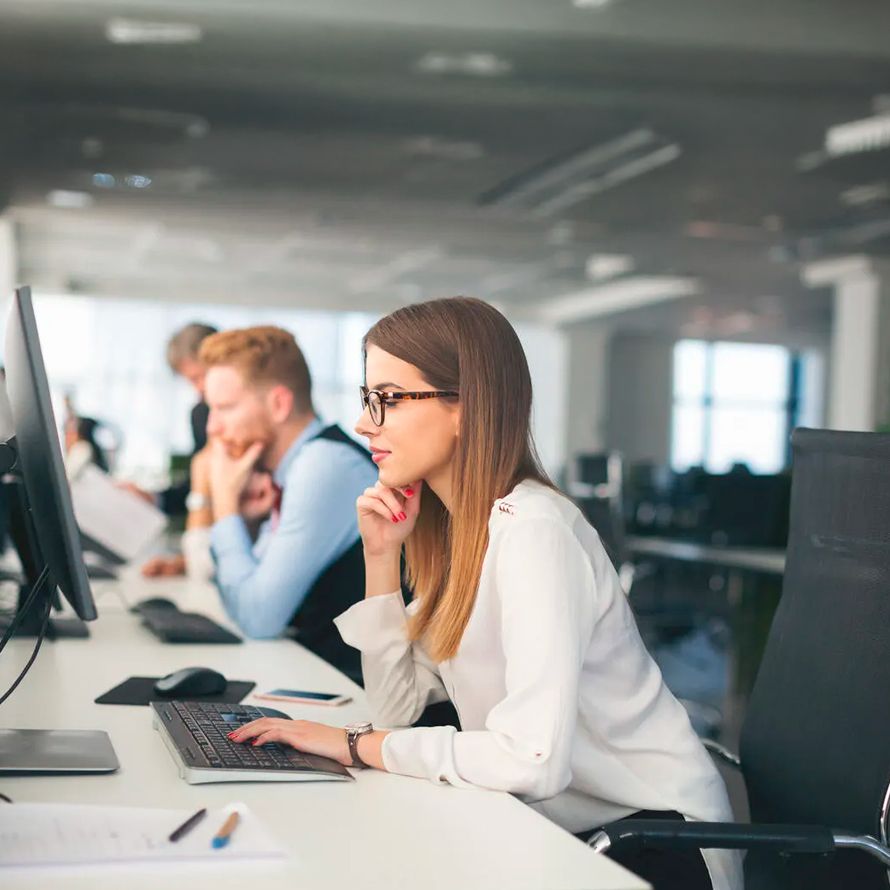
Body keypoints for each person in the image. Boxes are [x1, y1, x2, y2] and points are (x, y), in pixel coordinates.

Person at [227, 298, 740, 890]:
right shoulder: (463, 531)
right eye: (369, 399)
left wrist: (354, 743)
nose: (366, 423)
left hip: (652, 842)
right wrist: (381, 557)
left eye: (388, 398)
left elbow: (531, 760)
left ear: (465, 407)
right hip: (560, 828)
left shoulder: (535, 531)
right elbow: (396, 710)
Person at [196, 325, 377, 681]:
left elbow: (258, 618)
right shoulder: (290, 472)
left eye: (224, 408)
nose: (212, 428)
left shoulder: (323, 465)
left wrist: (225, 504)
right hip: (326, 678)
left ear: (279, 404)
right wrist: (245, 525)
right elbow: (243, 596)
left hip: (361, 695)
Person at [139, 322, 217, 578]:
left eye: (200, 377)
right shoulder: (201, 413)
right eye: (191, 381)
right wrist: (153, 498)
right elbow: (198, 485)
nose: (199, 389)